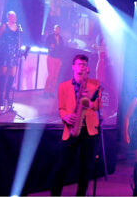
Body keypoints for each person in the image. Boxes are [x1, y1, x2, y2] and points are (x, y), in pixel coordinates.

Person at [51, 54, 100, 196]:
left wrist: (90, 103)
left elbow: (98, 105)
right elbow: (61, 108)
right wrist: (65, 116)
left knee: (86, 167)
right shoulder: (63, 86)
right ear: (73, 66)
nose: (81, 66)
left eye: (84, 64)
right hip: (71, 129)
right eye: (79, 64)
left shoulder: (94, 84)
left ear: (87, 67)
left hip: (89, 131)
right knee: (63, 166)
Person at [0, 11, 22, 107]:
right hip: (5, 52)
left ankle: (7, 96)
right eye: (12, 16)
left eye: (15, 16)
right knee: (3, 75)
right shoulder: (4, 26)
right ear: (8, 17)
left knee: (12, 75)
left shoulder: (18, 28)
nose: (14, 17)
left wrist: (19, 50)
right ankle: (0, 97)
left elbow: (19, 40)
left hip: (14, 54)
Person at [44, 24, 64, 98]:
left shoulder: (61, 38)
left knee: (55, 76)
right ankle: (46, 92)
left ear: (60, 30)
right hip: (51, 57)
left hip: (58, 59)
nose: (57, 30)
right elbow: (45, 44)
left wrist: (61, 60)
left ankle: (51, 92)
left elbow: (62, 49)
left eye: (58, 29)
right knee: (51, 75)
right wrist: (50, 46)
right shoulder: (50, 36)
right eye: (56, 29)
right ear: (54, 29)